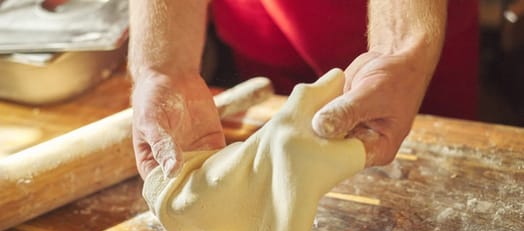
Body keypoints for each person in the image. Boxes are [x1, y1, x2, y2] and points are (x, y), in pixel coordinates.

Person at [128, 0, 478, 179]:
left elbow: (402, 57)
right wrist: (161, 66)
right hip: (268, 23)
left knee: (433, 171)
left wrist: (399, 49)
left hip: (412, 33)